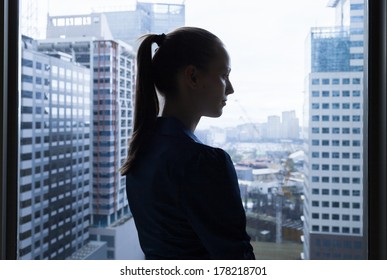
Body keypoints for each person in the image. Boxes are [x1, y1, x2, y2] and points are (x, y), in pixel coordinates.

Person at [121, 27, 255, 260]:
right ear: (192, 77)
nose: (230, 89)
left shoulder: (141, 155)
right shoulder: (203, 164)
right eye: (224, 75)